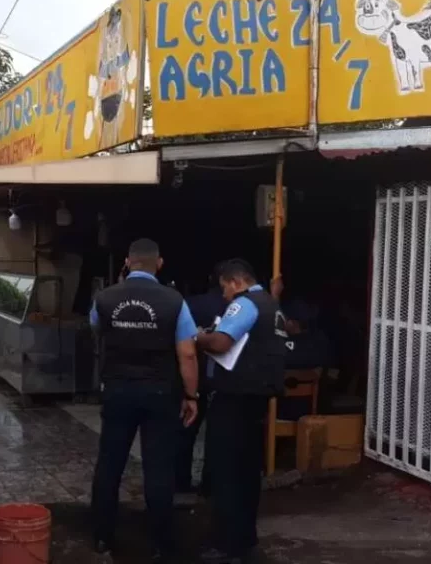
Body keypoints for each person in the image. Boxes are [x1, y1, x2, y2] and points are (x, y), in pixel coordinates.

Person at [89, 238, 199, 563]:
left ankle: (101, 538)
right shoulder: (174, 301)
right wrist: (192, 395)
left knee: (109, 464)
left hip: (118, 391)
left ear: (127, 261)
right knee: (159, 469)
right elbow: (188, 353)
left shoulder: (105, 297)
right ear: (159, 264)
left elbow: (96, 328)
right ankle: (161, 544)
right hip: (160, 394)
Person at [195, 259, 287, 564]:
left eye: (224, 287)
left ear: (235, 281)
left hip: (233, 398)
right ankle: (244, 538)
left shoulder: (244, 305)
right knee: (248, 472)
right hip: (257, 400)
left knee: (225, 472)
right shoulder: (272, 305)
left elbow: (221, 342)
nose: (223, 295)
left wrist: (197, 337)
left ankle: (225, 544)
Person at [176, 267, 228, 496]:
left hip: (194, 377)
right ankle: (211, 484)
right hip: (225, 379)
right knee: (218, 435)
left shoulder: (190, 304)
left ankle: (180, 482)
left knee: (186, 431)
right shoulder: (240, 307)